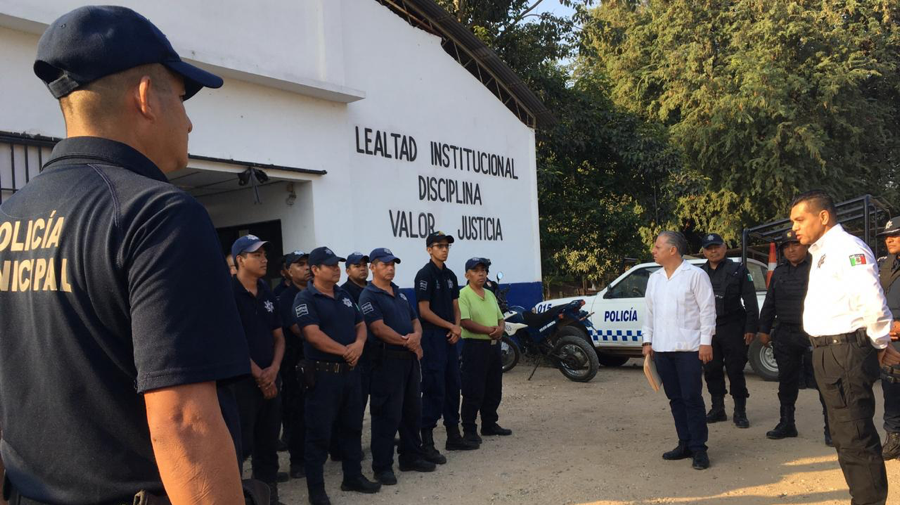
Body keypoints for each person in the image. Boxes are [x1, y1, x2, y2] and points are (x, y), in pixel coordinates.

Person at [0, 6, 249, 503]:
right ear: (145, 99)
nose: (190, 123)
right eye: (181, 98)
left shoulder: (9, 217)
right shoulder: (159, 214)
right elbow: (183, 422)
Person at [791, 190, 900, 505]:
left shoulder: (847, 248)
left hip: (845, 351)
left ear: (823, 217)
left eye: (800, 219)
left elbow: (873, 300)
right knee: (843, 437)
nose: (794, 228)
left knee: (856, 437)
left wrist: (880, 342)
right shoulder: (823, 252)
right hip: (828, 351)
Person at [294, 247, 381, 505]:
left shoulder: (343, 295)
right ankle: (316, 490)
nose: (336, 269)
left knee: (352, 428)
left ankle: (352, 476)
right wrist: (346, 350)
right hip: (323, 376)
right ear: (315, 270)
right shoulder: (306, 299)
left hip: (350, 374)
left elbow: (360, 324)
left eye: (337, 265)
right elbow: (312, 334)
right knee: (319, 434)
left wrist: (359, 345)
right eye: (330, 265)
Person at [359, 248, 437, 486]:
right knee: (386, 415)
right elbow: (378, 329)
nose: (390, 268)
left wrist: (416, 337)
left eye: (393, 264)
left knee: (412, 410)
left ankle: (410, 456)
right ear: (373, 267)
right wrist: (409, 342)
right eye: (385, 264)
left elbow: (416, 320)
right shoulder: (369, 295)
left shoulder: (400, 294)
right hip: (387, 362)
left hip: (409, 362)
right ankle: (382, 467)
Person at [642, 231, 716, 470]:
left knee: (691, 398)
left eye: (657, 247)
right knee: (675, 399)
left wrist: (706, 342)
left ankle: (699, 449)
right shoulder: (655, 279)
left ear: (672, 250)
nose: (653, 250)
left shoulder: (695, 275)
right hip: (662, 349)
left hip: (689, 349)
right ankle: (684, 442)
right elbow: (650, 313)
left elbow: (707, 311)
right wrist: (647, 342)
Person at [758, 230, 831, 444]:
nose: (791, 249)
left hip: (813, 333)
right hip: (785, 333)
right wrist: (764, 329)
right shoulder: (779, 272)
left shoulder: (817, 268)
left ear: (805, 246)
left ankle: (831, 429)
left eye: (795, 244)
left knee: (823, 383)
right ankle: (787, 423)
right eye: (786, 246)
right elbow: (770, 301)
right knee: (787, 383)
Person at [232, 235, 287, 503]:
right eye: (257, 255)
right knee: (238, 448)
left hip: (271, 379)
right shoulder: (227, 294)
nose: (264, 259)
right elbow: (230, 343)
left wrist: (273, 371)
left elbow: (279, 337)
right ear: (240, 259)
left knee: (268, 446)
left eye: (265, 254)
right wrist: (259, 374)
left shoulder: (267, 292)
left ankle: (267, 496)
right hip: (242, 384)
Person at [416, 232, 478, 458]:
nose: (444, 249)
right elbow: (424, 311)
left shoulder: (450, 275)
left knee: (453, 384)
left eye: (447, 246)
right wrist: (450, 327)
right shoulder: (424, 275)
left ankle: (453, 435)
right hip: (433, 338)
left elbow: (456, 305)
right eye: (439, 246)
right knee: (434, 386)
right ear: (429, 249)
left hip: (450, 338)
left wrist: (457, 326)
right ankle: (427, 442)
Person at [699, 233, 759, 428]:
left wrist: (751, 327)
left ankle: (740, 411)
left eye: (717, 246)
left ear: (724, 248)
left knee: (735, 370)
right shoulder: (698, 273)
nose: (713, 251)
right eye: (709, 248)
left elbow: (750, 300)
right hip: (709, 329)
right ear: (704, 251)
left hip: (733, 326)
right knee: (711, 369)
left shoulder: (738, 270)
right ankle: (718, 409)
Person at [459, 257, 512, 446]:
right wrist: (490, 331)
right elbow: (465, 322)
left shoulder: (489, 294)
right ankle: (469, 429)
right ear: (467, 274)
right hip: (475, 347)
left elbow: (500, 317)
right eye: (476, 270)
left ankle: (489, 424)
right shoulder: (463, 295)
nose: (481, 274)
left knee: (493, 387)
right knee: (474, 389)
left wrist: (500, 328)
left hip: (493, 347)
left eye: (484, 270)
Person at [277, 250, 311, 479]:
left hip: (316, 362)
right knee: (296, 415)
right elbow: (300, 330)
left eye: (308, 264)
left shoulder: (315, 294)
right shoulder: (285, 298)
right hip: (293, 366)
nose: (306, 268)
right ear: (288, 271)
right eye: (300, 265)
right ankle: (298, 461)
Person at [876, 217, 900, 460]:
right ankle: (893, 439)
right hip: (890, 338)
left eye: (896, 234)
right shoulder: (885, 264)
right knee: (891, 388)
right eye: (887, 236)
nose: (889, 239)